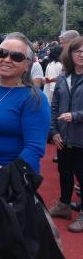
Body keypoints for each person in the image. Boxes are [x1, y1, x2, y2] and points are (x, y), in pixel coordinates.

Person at [0, 32, 51, 182]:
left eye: (16, 56)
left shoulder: (34, 98)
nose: (7, 59)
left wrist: (7, 179)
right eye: (2, 53)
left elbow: (34, 149)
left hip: (8, 178)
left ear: (27, 65)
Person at [49, 37, 83, 233]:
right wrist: (53, 131)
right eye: (77, 51)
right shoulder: (63, 78)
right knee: (64, 172)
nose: (81, 55)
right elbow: (54, 106)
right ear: (70, 54)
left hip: (80, 138)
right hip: (63, 137)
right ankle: (64, 205)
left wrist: (76, 116)